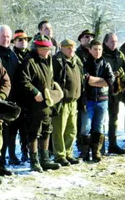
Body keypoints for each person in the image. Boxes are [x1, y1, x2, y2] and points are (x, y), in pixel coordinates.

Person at [17, 35, 62, 172]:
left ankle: (45, 158)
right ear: (38, 48)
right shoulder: (29, 61)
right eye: (46, 48)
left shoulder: (46, 61)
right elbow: (23, 81)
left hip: (47, 103)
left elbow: (50, 79)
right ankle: (34, 160)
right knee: (34, 132)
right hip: (34, 104)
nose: (48, 51)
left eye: (49, 48)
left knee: (47, 130)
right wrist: (35, 92)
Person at [0, 25, 18, 184]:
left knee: (6, 136)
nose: (6, 39)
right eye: (3, 36)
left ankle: (2, 164)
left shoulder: (12, 54)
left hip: (10, 100)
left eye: (8, 37)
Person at [78, 40, 114, 162]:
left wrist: (93, 80)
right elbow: (86, 80)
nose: (97, 52)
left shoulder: (106, 64)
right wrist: (100, 81)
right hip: (88, 100)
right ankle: (84, 152)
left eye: (99, 49)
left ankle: (96, 151)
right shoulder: (84, 64)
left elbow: (109, 81)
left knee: (99, 127)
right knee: (85, 127)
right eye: (95, 49)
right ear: (90, 50)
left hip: (103, 100)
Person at [51, 39, 82, 166]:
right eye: (68, 48)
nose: (72, 50)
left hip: (73, 101)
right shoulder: (57, 61)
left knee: (71, 129)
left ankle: (68, 153)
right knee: (59, 129)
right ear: (62, 48)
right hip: (61, 102)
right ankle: (59, 155)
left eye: (73, 48)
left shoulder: (76, 61)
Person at [102, 33, 125, 154]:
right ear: (106, 42)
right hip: (102, 92)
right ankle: (99, 146)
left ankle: (113, 144)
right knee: (100, 121)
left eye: (116, 41)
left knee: (114, 118)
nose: (114, 44)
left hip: (116, 91)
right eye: (112, 41)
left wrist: (122, 76)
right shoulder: (101, 54)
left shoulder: (120, 54)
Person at [11, 29, 32, 162]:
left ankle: (26, 152)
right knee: (12, 129)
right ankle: (12, 155)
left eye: (25, 40)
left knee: (26, 129)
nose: (23, 42)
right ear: (14, 42)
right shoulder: (11, 55)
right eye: (20, 40)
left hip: (28, 97)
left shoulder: (31, 55)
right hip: (14, 96)